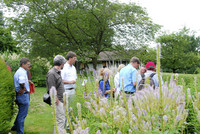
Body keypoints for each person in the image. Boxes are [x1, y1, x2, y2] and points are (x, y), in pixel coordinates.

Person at [46, 55, 66, 134]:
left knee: (60, 120)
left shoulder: (57, 72)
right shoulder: (52, 73)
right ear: (61, 63)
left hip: (61, 99)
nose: (64, 64)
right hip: (57, 101)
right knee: (60, 120)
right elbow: (51, 88)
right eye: (63, 63)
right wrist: (56, 99)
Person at [11, 57, 31, 134]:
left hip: (20, 95)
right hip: (23, 95)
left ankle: (15, 127)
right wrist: (23, 88)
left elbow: (22, 80)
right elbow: (21, 81)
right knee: (22, 115)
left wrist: (27, 81)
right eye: (28, 64)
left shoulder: (19, 71)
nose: (29, 66)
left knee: (21, 113)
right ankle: (20, 132)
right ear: (23, 64)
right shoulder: (22, 72)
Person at [61, 51, 77, 128]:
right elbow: (61, 80)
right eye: (74, 58)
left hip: (73, 90)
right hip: (66, 90)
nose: (75, 60)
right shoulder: (63, 67)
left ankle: (69, 125)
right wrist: (70, 82)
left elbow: (75, 79)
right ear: (70, 58)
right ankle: (65, 126)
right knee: (66, 109)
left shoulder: (73, 68)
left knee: (72, 108)